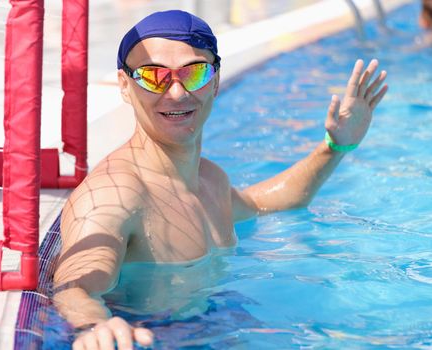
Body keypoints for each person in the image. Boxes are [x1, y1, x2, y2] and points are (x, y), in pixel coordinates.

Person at [53, 10, 388, 350]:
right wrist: (93, 324)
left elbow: (266, 202)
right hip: (151, 338)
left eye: (195, 72)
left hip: (214, 323)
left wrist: (336, 146)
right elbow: (75, 284)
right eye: (154, 77)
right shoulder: (115, 194)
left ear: (214, 82)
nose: (178, 92)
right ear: (125, 86)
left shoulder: (209, 178)